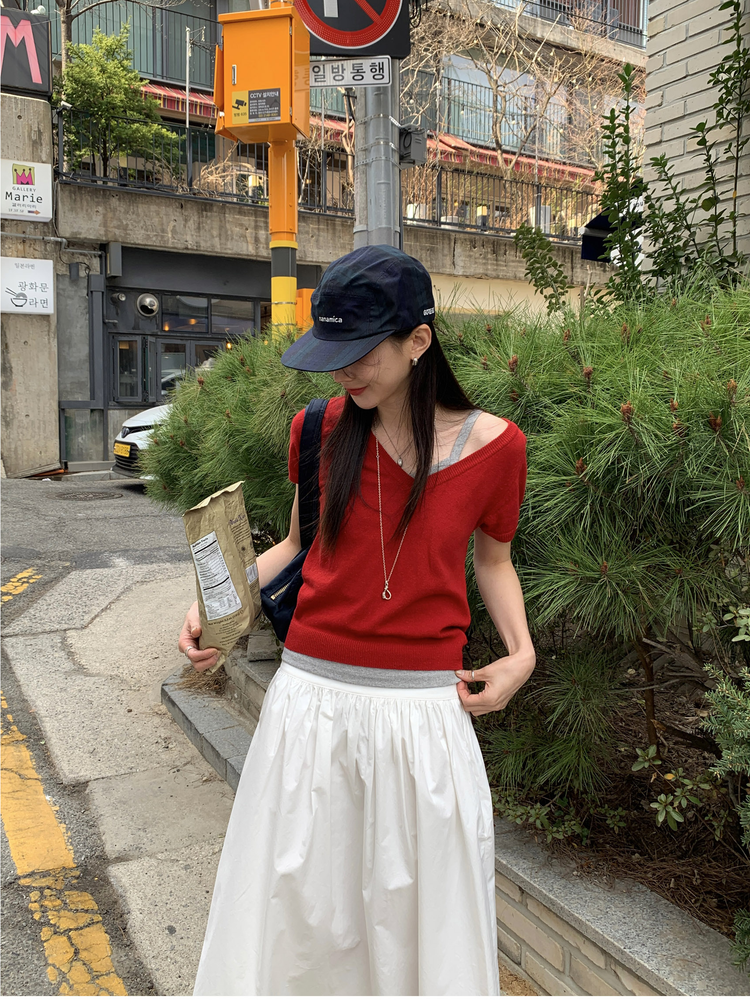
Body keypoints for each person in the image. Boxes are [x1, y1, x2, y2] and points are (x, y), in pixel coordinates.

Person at [178, 245, 535, 997]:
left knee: (419, 933)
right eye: (331, 352)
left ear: (418, 340)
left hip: (424, 718)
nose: (343, 370)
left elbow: (493, 561)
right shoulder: (318, 429)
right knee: (299, 928)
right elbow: (296, 545)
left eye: (361, 351)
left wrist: (521, 653)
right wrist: (214, 608)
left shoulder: (499, 449)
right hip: (309, 707)